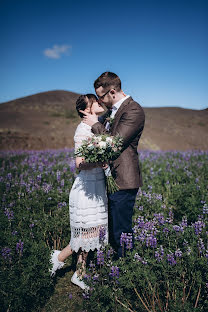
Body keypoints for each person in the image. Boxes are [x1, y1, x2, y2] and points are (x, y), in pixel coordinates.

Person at [80, 72, 145, 258]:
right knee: (111, 227)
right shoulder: (111, 112)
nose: (100, 101)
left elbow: (115, 144)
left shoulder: (133, 110)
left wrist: (95, 124)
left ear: (113, 92)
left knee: (121, 230)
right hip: (110, 177)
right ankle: (112, 265)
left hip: (124, 179)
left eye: (101, 96)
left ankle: (125, 272)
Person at [50, 94, 108, 289]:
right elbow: (79, 164)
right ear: (85, 110)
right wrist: (101, 161)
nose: (99, 103)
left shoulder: (98, 126)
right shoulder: (82, 129)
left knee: (92, 233)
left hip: (98, 185)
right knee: (85, 234)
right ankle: (58, 259)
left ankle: (78, 274)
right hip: (86, 188)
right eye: (94, 102)